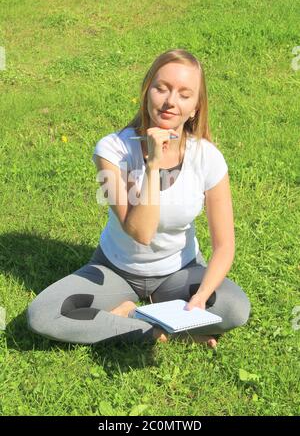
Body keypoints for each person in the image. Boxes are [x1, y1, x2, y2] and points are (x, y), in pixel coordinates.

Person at [26, 48, 251, 348]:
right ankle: (141, 321)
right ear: (147, 92)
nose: (171, 101)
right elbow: (141, 233)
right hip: (116, 270)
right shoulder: (111, 151)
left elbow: (224, 246)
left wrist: (199, 298)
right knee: (43, 314)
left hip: (180, 272)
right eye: (162, 88)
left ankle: (143, 321)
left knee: (235, 308)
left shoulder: (207, 157)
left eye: (185, 94)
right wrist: (154, 164)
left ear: (196, 107)